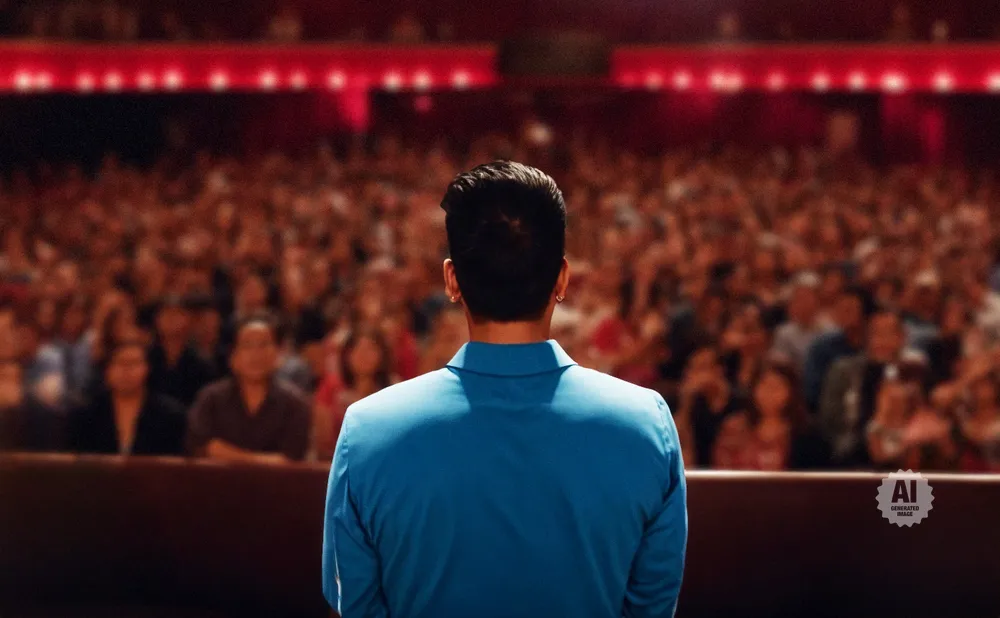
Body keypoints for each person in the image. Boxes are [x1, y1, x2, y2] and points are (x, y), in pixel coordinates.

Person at [323, 161, 687, 618]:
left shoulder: (367, 430)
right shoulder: (647, 423)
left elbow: (354, 605)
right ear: (562, 278)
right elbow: (652, 605)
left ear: (452, 280)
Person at [186, 312, 311, 463]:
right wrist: (260, 460)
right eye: (247, 345)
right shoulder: (211, 398)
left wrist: (229, 455)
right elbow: (202, 446)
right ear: (233, 357)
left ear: (278, 354)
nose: (256, 354)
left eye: (263, 345)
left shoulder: (295, 403)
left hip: (276, 479)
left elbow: (290, 458)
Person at [66, 337, 186, 456]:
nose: (127, 370)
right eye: (120, 363)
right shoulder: (86, 412)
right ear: (107, 370)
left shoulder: (170, 414)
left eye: (134, 363)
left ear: (147, 369)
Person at [146, 295, 216, 409]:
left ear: (188, 319)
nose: (171, 319)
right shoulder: (146, 360)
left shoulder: (201, 363)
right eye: (165, 314)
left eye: (176, 314)